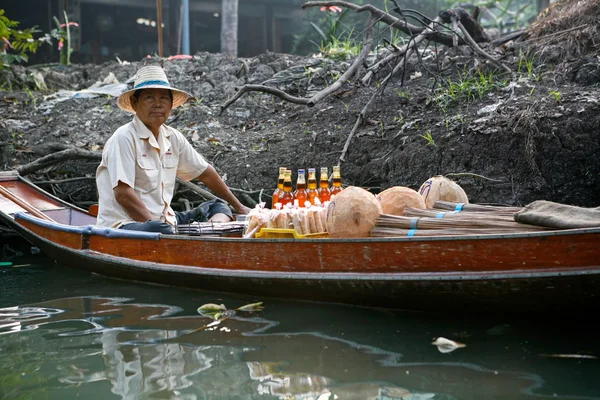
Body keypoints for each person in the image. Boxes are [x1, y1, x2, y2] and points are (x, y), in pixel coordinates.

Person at [96, 65, 250, 234]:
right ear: (134, 103)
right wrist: (161, 231)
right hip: (126, 225)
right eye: (149, 97)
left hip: (166, 222)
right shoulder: (124, 137)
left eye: (163, 98)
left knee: (219, 206)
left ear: (170, 104)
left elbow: (205, 173)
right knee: (160, 228)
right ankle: (192, 239)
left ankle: (205, 237)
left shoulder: (172, 137)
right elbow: (123, 195)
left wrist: (240, 207)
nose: (157, 104)